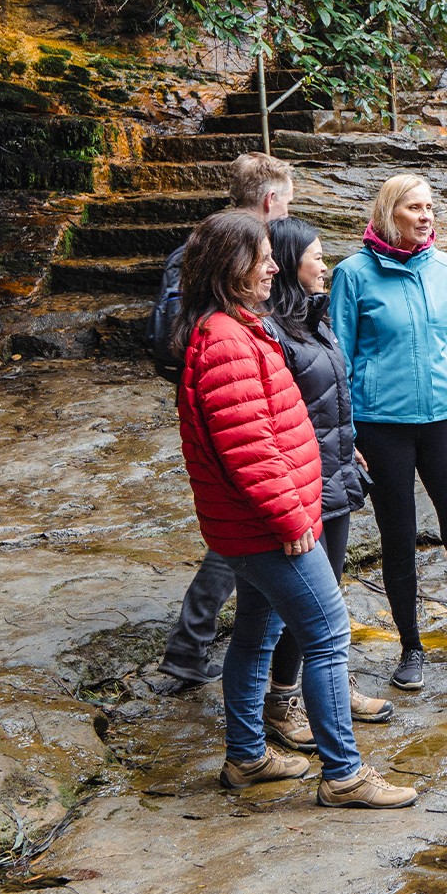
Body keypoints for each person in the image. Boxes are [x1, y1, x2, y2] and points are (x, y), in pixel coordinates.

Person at [174, 208, 415, 808]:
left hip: (258, 524)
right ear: (234, 267)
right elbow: (250, 450)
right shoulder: (226, 340)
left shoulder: (235, 326)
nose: (273, 266)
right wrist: (292, 520)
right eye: (263, 256)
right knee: (329, 634)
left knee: (256, 633)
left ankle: (248, 758)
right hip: (266, 526)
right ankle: (344, 775)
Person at [330, 174, 447, 693]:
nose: (426, 216)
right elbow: (338, 363)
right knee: (398, 539)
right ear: (390, 213)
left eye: (431, 207)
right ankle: (411, 649)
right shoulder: (353, 275)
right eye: (415, 208)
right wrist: (346, 437)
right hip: (380, 427)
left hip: (442, 423)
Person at [253, 216, 394, 752]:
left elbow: (332, 394)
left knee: (330, 587)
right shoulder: (273, 332)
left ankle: (332, 688)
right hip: (300, 479)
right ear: (291, 263)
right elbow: (276, 418)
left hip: (333, 468)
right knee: (308, 601)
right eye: (316, 255)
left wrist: (348, 442)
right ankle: (283, 701)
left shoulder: (316, 318)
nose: (325, 264)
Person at [157, 151, 296, 685]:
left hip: (217, 398)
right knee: (241, 528)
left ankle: (190, 648)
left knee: (235, 527)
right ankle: (191, 647)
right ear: (270, 199)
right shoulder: (249, 254)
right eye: (286, 200)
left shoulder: (199, 245)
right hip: (237, 400)